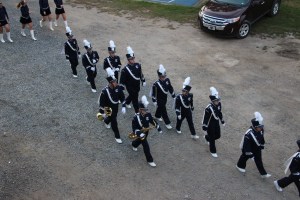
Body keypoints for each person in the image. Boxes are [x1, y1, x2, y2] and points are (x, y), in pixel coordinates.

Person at [236, 112, 271, 178]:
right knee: (244, 157)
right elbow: (246, 145)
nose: (261, 128)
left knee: (259, 160)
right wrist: (250, 154)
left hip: (257, 148)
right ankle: (239, 166)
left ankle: (263, 174)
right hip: (248, 148)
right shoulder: (248, 134)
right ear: (255, 127)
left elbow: (261, 137)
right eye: (259, 127)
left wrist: (262, 145)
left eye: (261, 126)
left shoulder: (261, 130)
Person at [131, 95, 162, 167]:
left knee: (139, 141)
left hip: (146, 131)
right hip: (140, 133)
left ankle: (134, 144)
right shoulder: (136, 118)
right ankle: (150, 160)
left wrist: (158, 127)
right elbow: (134, 128)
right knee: (146, 145)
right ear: (140, 110)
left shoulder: (148, 114)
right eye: (144, 110)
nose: (146, 111)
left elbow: (152, 121)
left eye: (146, 109)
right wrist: (139, 133)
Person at [98, 68, 126, 144]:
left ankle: (106, 121)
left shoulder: (118, 88)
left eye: (115, 81)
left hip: (115, 107)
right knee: (114, 121)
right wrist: (101, 113)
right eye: (114, 81)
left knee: (112, 117)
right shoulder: (104, 91)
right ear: (110, 83)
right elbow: (101, 103)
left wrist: (123, 106)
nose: (116, 82)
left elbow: (123, 97)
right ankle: (117, 136)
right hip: (108, 108)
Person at [119, 46, 146, 113]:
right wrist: (121, 88)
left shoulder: (138, 65)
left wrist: (143, 80)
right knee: (135, 99)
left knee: (134, 94)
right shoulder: (125, 70)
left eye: (133, 58)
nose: (133, 60)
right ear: (128, 59)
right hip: (130, 87)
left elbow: (140, 74)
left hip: (137, 85)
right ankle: (137, 112)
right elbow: (122, 80)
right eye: (131, 59)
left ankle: (127, 102)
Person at [150, 64, 175, 129]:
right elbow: (154, 93)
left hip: (164, 98)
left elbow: (170, 87)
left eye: (164, 76)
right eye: (162, 77)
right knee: (164, 110)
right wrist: (154, 100)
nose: (163, 78)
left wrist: (173, 94)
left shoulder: (167, 80)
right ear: (159, 76)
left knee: (161, 107)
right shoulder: (156, 84)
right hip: (159, 99)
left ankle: (157, 115)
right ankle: (167, 123)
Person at [202, 87, 225, 158]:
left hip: (216, 122)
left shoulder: (219, 104)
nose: (218, 101)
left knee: (218, 135)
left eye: (218, 100)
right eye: (216, 100)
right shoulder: (208, 108)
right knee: (212, 138)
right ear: (212, 101)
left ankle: (207, 137)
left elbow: (219, 113)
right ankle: (213, 151)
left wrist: (222, 120)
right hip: (210, 124)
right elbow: (205, 118)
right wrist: (205, 126)